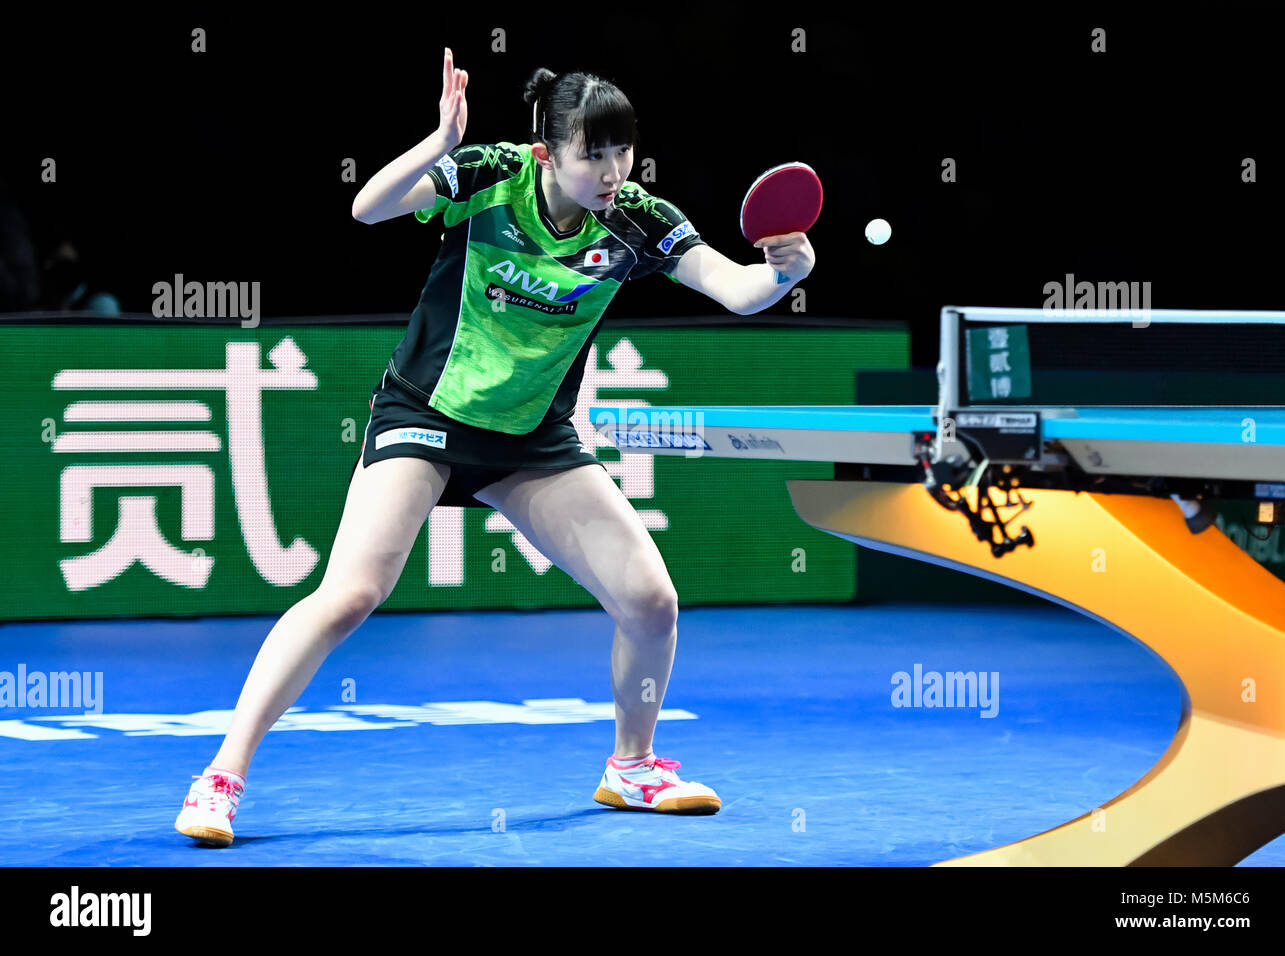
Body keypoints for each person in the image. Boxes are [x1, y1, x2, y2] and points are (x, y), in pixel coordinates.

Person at [175, 48, 815, 847]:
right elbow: (367, 210)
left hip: (531, 439)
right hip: (426, 415)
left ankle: (634, 766)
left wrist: (787, 270)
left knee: (652, 602)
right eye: (593, 153)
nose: (612, 169)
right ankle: (221, 778)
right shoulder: (487, 176)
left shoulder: (639, 221)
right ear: (548, 152)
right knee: (350, 595)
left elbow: (737, 291)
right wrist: (438, 142)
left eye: (622, 150)